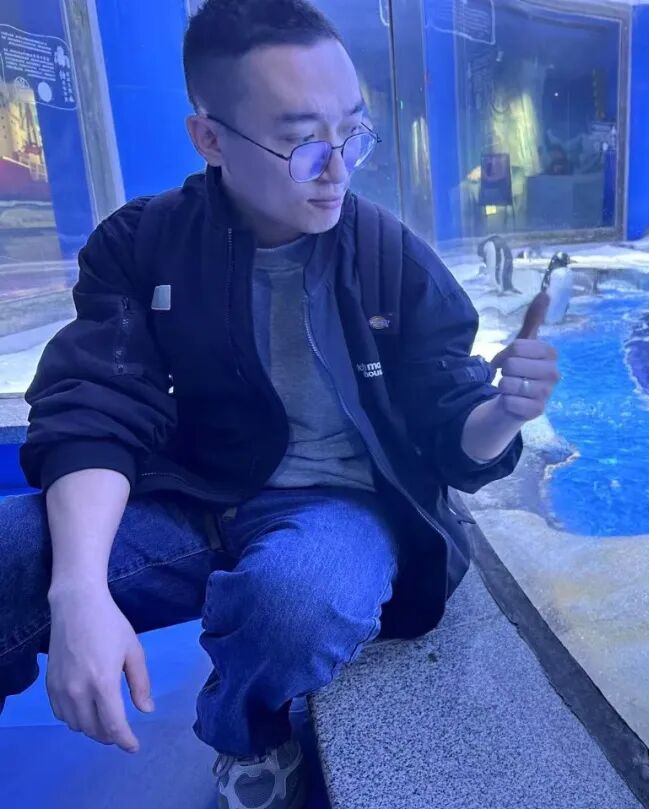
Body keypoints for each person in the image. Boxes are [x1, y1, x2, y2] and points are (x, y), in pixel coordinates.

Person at [0, 1, 560, 807]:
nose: (337, 170)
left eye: (353, 133)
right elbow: (96, 402)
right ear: (210, 139)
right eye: (303, 142)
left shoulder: (387, 256)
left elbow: (450, 426)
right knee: (12, 548)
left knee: (295, 605)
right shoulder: (145, 243)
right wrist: (79, 590)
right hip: (195, 492)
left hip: (338, 506)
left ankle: (248, 733)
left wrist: (505, 411)